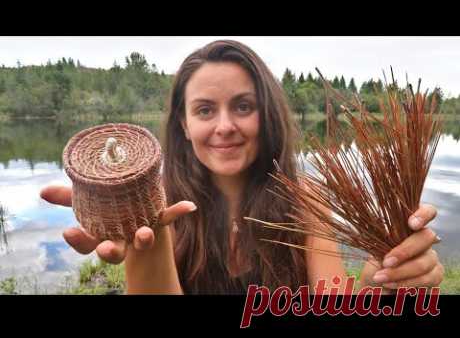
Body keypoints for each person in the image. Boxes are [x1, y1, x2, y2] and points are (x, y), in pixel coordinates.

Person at [40, 40, 444, 295]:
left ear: (265, 115)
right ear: (184, 124)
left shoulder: (307, 200)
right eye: (204, 110)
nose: (225, 126)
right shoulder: (154, 208)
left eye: (243, 106)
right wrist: (146, 233)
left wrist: (385, 283)